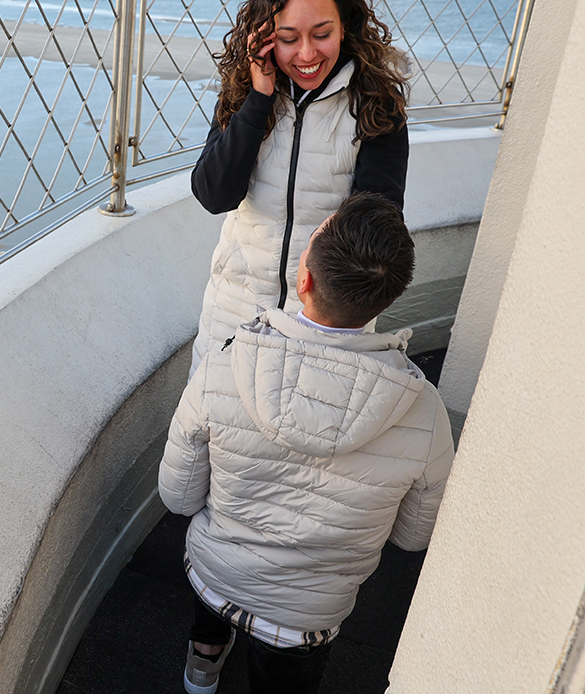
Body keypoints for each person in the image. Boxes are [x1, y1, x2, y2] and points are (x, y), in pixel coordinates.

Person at [159, 193, 453, 694]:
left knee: (211, 605)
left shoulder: (223, 368)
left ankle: (202, 669)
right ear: (387, 297)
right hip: (309, 614)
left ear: (304, 280)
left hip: (217, 572)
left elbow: (179, 496)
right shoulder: (424, 411)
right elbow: (412, 536)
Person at [190, 0, 409, 373]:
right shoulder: (245, 94)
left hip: (327, 324)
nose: (306, 53)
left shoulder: (377, 106)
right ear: (264, 38)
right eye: (288, 38)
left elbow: (377, 224)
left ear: (345, 26)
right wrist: (258, 99)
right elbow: (214, 195)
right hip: (233, 310)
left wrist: (322, 313)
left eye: (321, 33)